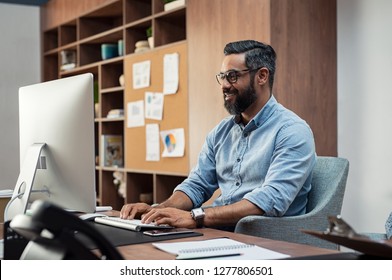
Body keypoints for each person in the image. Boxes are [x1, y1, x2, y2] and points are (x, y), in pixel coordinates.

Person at [120, 40, 316, 230]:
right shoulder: (221, 132)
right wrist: (158, 211)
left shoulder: (292, 131)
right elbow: (197, 185)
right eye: (222, 76)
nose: (224, 85)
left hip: (266, 240)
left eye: (232, 76)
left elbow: (270, 200)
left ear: (262, 76)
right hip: (219, 231)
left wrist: (196, 217)